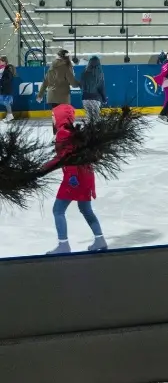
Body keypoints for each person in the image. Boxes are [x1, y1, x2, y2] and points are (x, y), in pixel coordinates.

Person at [42, 104, 107, 253]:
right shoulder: (72, 132)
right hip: (86, 175)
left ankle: (63, 245)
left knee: (58, 210)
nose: (52, 119)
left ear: (60, 117)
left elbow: (68, 156)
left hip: (75, 178)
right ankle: (100, 239)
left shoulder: (63, 133)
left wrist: (71, 175)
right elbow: (62, 157)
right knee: (85, 209)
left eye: (53, 116)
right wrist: (45, 166)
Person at [79, 56, 107, 124]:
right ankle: (95, 133)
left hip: (85, 98)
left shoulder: (84, 73)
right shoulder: (99, 74)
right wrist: (104, 99)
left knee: (89, 118)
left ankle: (88, 133)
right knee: (96, 120)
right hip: (95, 98)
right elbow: (101, 88)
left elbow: (81, 85)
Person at [0, 56, 15, 122]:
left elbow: (9, 78)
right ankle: (9, 115)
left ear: (4, 62)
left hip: (6, 88)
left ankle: (10, 115)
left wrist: (2, 81)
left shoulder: (7, 69)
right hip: (2, 88)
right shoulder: (1, 69)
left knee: (6, 102)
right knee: (5, 103)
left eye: (0, 61)